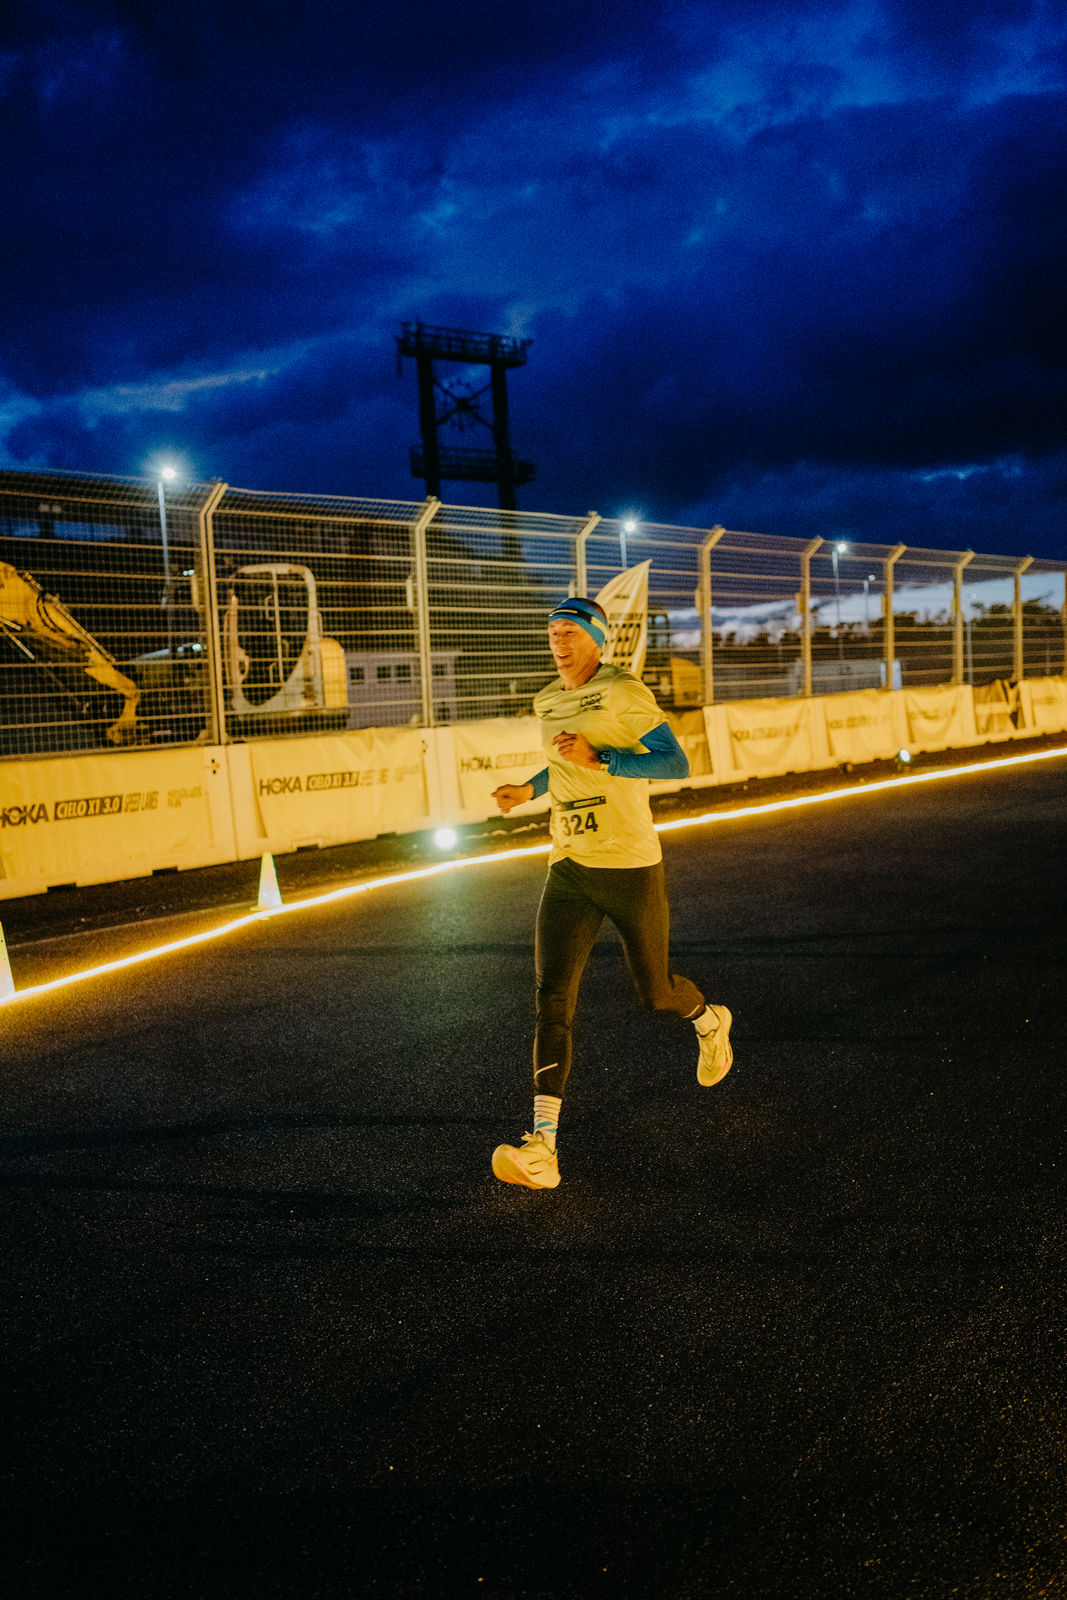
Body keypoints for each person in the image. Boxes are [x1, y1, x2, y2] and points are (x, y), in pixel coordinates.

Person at [490, 595, 733, 1191]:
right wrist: (529, 790)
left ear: (598, 639)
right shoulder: (547, 699)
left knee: (656, 993)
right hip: (569, 865)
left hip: (629, 866)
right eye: (552, 630)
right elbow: (562, 764)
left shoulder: (624, 691)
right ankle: (543, 1145)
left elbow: (675, 763)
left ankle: (708, 1021)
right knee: (552, 999)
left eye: (570, 631)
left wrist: (603, 758)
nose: (558, 639)